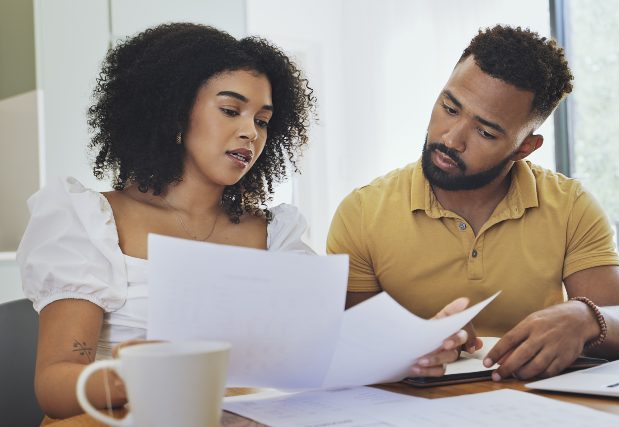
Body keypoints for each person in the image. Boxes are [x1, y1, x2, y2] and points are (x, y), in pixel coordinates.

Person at [17, 22, 465, 420]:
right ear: (173, 114)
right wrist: (141, 376)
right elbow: (54, 386)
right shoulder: (90, 220)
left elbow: (327, 354)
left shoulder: (275, 234)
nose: (251, 132)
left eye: (263, 120)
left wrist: (416, 344)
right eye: (231, 111)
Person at [327, 25, 619, 382]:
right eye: (450, 108)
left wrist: (586, 318)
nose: (451, 139)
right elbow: (342, 347)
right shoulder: (361, 213)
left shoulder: (569, 206)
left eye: (485, 132)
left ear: (524, 148)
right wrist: (413, 343)